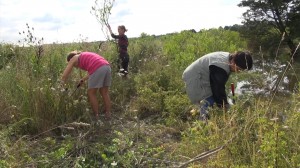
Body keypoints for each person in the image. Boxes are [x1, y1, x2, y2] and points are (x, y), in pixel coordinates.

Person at [182, 51, 253, 121]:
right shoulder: (220, 66)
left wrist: (223, 102)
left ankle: (194, 113)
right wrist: (225, 106)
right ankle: (203, 123)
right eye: (238, 69)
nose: (238, 72)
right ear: (233, 61)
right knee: (207, 100)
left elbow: (219, 85)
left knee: (212, 100)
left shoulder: (228, 58)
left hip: (200, 75)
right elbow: (217, 89)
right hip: (195, 77)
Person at [61, 51, 112, 120]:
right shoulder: (84, 56)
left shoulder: (73, 58)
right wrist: (83, 79)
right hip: (106, 67)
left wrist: (61, 86)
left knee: (91, 93)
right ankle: (108, 114)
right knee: (104, 92)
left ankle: (96, 117)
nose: (76, 67)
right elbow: (93, 70)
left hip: (98, 68)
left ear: (70, 59)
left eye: (74, 65)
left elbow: (64, 75)